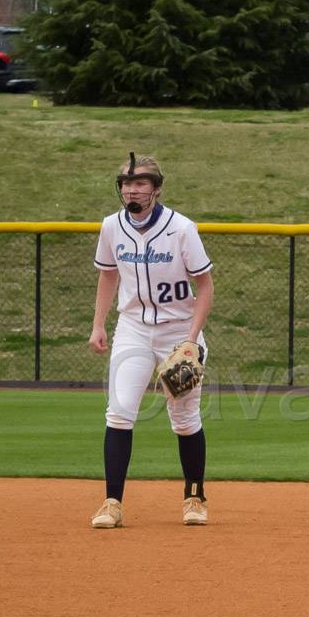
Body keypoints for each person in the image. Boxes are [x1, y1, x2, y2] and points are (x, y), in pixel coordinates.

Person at [88, 153, 215, 529]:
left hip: (179, 329)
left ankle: (194, 497)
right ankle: (112, 503)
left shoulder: (182, 229)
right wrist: (98, 325)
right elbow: (108, 275)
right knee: (120, 411)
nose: (132, 189)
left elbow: (205, 287)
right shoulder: (112, 227)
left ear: (156, 189)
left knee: (184, 417)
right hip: (133, 329)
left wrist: (191, 341)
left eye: (141, 183)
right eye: (127, 183)